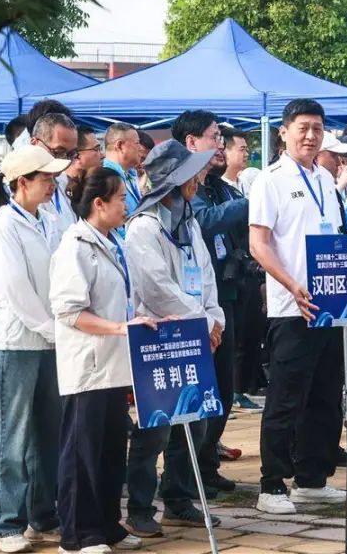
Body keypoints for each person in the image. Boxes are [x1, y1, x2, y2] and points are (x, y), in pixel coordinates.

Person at [249, 98, 346, 514]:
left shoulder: (325, 178)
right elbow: (259, 243)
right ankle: (271, 485)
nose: (310, 136)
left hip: (330, 305)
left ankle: (312, 478)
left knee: (326, 396)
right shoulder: (269, 180)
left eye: (317, 129)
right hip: (292, 308)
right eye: (303, 127)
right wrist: (291, 285)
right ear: (284, 132)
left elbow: (337, 240)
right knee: (286, 399)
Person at [123, 140, 225, 536]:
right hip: (160, 336)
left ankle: (179, 498)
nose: (197, 181)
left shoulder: (189, 221)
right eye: (190, 175)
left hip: (196, 331)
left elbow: (206, 274)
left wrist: (213, 319)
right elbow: (156, 288)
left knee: (196, 421)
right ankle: (139, 507)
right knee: (157, 426)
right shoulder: (143, 227)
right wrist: (203, 321)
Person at [50, 168, 149, 554]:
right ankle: (77, 534)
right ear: (99, 203)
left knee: (110, 450)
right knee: (82, 453)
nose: (126, 205)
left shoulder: (112, 241)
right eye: (121, 198)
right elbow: (69, 311)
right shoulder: (74, 246)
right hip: (88, 365)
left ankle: (108, 524)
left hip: (114, 363)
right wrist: (120, 328)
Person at [0, 146, 70, 553]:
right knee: (11, 437)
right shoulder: (3, 227)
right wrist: (52, 330)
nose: (52, 185)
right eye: (46, 178)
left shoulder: (49, 220)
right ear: (22, 182)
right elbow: (16, 290)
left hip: (50, 341)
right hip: (17, 343)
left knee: (47, 435)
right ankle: (6, 524)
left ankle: (43, 515)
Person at [172, 110, 250, 494]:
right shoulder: (183, 188)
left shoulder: (218, 186)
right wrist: (252, 201)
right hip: (191, 306)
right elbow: (205, 222)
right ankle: (185, 477)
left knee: (222, 387)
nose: (220, 145)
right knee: (199, 390)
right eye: (214, 137)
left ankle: (206, 466)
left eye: (221, 138)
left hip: (224, 298)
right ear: (191, 143)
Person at [219, 129, 266, 406]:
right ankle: (235, 390)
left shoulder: (240, 186)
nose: (246, 153)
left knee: (249, 332)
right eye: (241, 148)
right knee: (235, 336)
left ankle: (243, 386)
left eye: (247, 148)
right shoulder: (220, 189)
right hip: (231, 271)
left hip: (249, 268)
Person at [32, 113, 80, 235]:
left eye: (71, 154)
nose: (65, 161)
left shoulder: (62, 183)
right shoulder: (18, 191)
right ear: (34, 143)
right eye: (58, 152)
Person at [102, 123, 144, 229]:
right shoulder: (105, 179)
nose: (140, 148)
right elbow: (114, 227)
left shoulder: (130, 176)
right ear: (120, 146)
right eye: (137, 143)